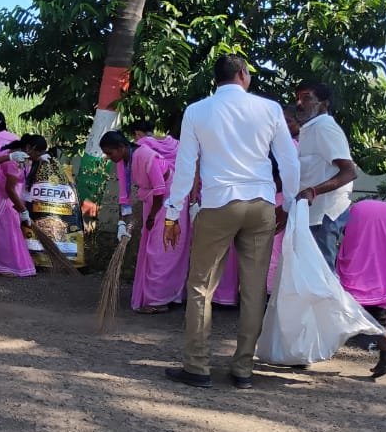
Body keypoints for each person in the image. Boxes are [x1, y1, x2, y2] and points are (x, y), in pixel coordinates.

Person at [162, 55, 301, 390]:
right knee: (254, 289)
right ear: (242, 74)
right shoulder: (270, 109)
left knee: (200, 287)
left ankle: (197, 366)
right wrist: (289, 204)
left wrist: (172, 213)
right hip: (261, 204)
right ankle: (243, 369)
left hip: (218, 203)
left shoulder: (197, 111)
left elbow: (185, 167)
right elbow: (289, 161)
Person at [101, 131, 190, 312]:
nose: (109, 157)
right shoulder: (122, 162)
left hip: (170, 200)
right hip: (153, 201)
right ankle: (161, 295)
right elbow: (124, 196)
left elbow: (160, 189)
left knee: (161, 249)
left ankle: (159, 300)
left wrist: (151, 217)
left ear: (121, 147)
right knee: (151, 247)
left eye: (110, 153)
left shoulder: (145, 155)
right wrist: (122, 223)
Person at [293, 82, 357, 267]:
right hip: (312, 214)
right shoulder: (309, 129)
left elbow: (349, 172)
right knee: (310, 272)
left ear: (324, 104)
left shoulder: (325, 128)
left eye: (306, 98)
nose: (299, 103)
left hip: (325, 214)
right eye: (297, 98)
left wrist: (313, 191)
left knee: (322, 272)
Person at [0, 136, 45, 278]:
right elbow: (9, 189)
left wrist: (39, 159)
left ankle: (1, 264)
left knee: (7, 231)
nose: (38, 156)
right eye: (38, 153)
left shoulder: (22, 156)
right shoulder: (15, 162)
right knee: (2, 231)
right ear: (29, 148)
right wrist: (23, 210)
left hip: (3, 196)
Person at [335, 199, 386, 319]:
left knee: (357, 252)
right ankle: (378, 307)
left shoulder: (357, 210)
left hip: (362, 213)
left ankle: (358, 302)